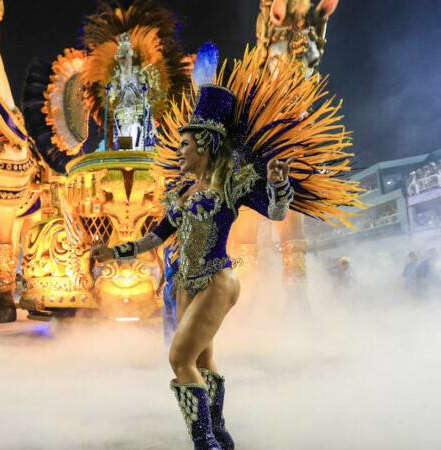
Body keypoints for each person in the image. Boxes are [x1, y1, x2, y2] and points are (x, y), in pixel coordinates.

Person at [90, 85, 296, 449]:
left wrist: (278, 185)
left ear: (205, 144)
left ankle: (205, 443)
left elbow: (276, 213)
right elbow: (156, 237)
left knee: (178, 358)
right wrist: (114, 252)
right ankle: (220, 435)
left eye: (185, 144)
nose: (179, 150)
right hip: (186, 285)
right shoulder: (184, 192)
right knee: (202, 362)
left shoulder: (231, 183)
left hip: (218, 280)